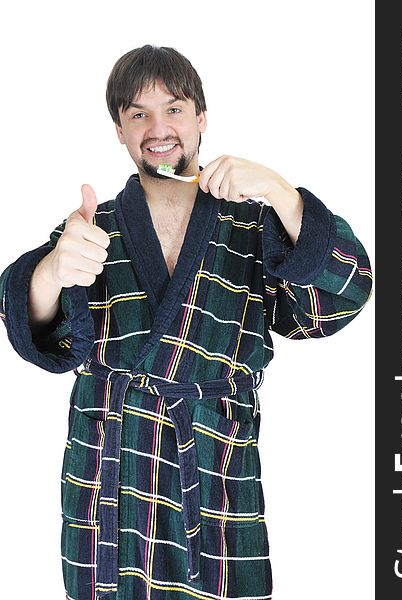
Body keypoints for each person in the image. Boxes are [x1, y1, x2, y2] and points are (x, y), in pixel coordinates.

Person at [0, 44, 372, 600]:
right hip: (111, 463)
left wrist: (280, 190)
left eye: (174, 108)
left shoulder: (253, 220)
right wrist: (52, 271)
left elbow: (345, 292)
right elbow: (39, 331)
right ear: (120, 132)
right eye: (137, 114)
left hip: (215, 455)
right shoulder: (92, 228)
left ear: (201, 118)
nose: (158, 128)